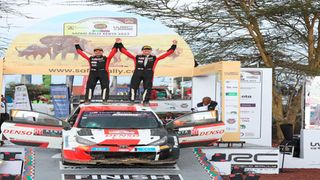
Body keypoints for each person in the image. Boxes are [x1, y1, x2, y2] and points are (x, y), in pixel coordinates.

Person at [117, 38, 177, 105]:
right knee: (133, 86)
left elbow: (167, 53)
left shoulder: (155, 57)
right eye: (145, 50)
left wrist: (174, 45)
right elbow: (125, 51)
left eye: (148, 50)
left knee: (148, 87)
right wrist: (119, 43)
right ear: (142, 51)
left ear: (151, 51)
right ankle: (131, 100)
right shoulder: (137, 56)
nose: (147, 51)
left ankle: (145, 101)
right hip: (138, 72)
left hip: (148, 73)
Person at [75, 38, 120, 104]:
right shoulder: (90, 57)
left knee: (105, 87)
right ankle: (88, 100)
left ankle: (105, 100)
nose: (97, 52)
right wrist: (76, 45)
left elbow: (113, 52)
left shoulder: (106, 58)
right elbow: (81, 52)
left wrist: (116, 43)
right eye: (96, 51)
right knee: (90, 86)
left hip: (103, 73)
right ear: (94, 52)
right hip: (93, 73)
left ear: (102, 52)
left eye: (99, 51)